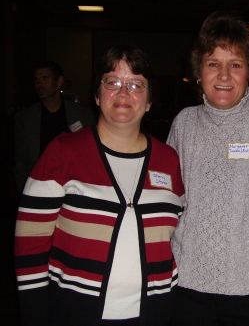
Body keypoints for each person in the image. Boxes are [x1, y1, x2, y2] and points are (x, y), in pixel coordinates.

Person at [15, 45, 184, 325]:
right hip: (75, 312)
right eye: (112, 82)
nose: (123, 93)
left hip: (156, 313)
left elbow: (182, 235)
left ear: (150, 101)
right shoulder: (62, 152)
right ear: (96, 94)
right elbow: (30, 244)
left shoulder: (169, 159)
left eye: (136, 85)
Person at [166, 11, 249, 326]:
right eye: (213, 63)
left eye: (236, 65)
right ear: (199, 72)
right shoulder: (184, 123)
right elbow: (169, 195)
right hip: (186, 283)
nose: (224, 75)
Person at [13, 60, 96, 193]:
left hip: (73, 185)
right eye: (36, 80)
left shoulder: (83, 115)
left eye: (45, 78)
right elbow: (21, 159)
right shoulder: (25, 118)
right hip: (38, 185)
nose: (39, 84)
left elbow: (91, 155)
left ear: (59, 81)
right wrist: (24, 191)